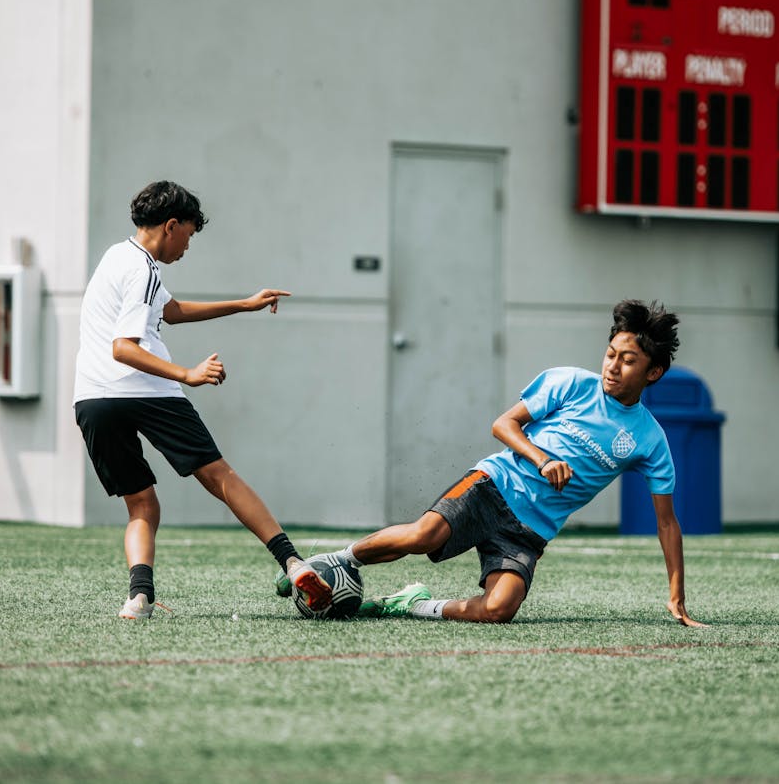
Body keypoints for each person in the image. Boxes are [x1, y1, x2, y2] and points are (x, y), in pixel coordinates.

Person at [279, 299, 706, 627]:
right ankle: (335, 561)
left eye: (628, 360)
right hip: (495, 485)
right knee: (424, 534)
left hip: (529, 530)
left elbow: (667, 523)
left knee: (499, 610)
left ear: (654, 373)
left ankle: (412, 604)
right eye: (611, 354)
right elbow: (503, 424)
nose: (613, 366)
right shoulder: (572, 383)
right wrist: (541, 459)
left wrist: (676, 596)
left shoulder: (650, 441)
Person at [74, 179, 332, 619]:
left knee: (141, 504)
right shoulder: (145, 269)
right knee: (221, 477)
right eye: (189, 235)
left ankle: (139, 598)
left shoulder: (117, 257)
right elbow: (124, 347)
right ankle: (291, 561)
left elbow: (169, 312)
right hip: (145, 389)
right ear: (171, 226)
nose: (188, 247)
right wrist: (187, 374)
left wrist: (243, 305)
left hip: (92, 399)